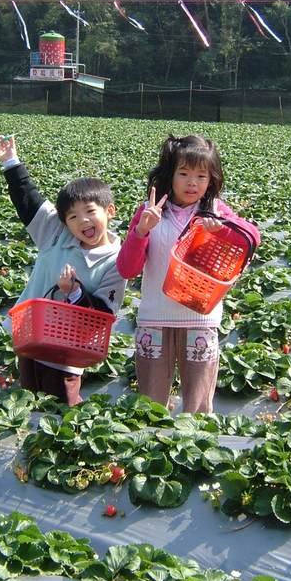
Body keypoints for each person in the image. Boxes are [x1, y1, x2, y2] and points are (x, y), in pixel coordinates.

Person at [116, 134, 260, 414]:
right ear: (169, 175)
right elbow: (127, 269)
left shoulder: (216, 211)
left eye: (201, 175)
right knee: (150, 404)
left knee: (198, 406)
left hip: (201, 319)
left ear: (211, 180)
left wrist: (222, 229)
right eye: (183, 174)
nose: (192, 182)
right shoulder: (149, 211)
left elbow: (252, 237)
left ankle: (195, 451)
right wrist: (141, 230)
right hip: (154, 319)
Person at [0, 134, 125, 406]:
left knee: (60, 409)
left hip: (67, 351)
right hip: (30, 336)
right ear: (65, 222)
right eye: (73, 216)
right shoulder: (56, 234)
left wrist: (75, 292)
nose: (83, 221)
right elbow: (28, 201)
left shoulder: (116, 262)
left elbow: (104, 313)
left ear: (109, 211)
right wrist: (11, 163)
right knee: (28, 401)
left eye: (90, 211)